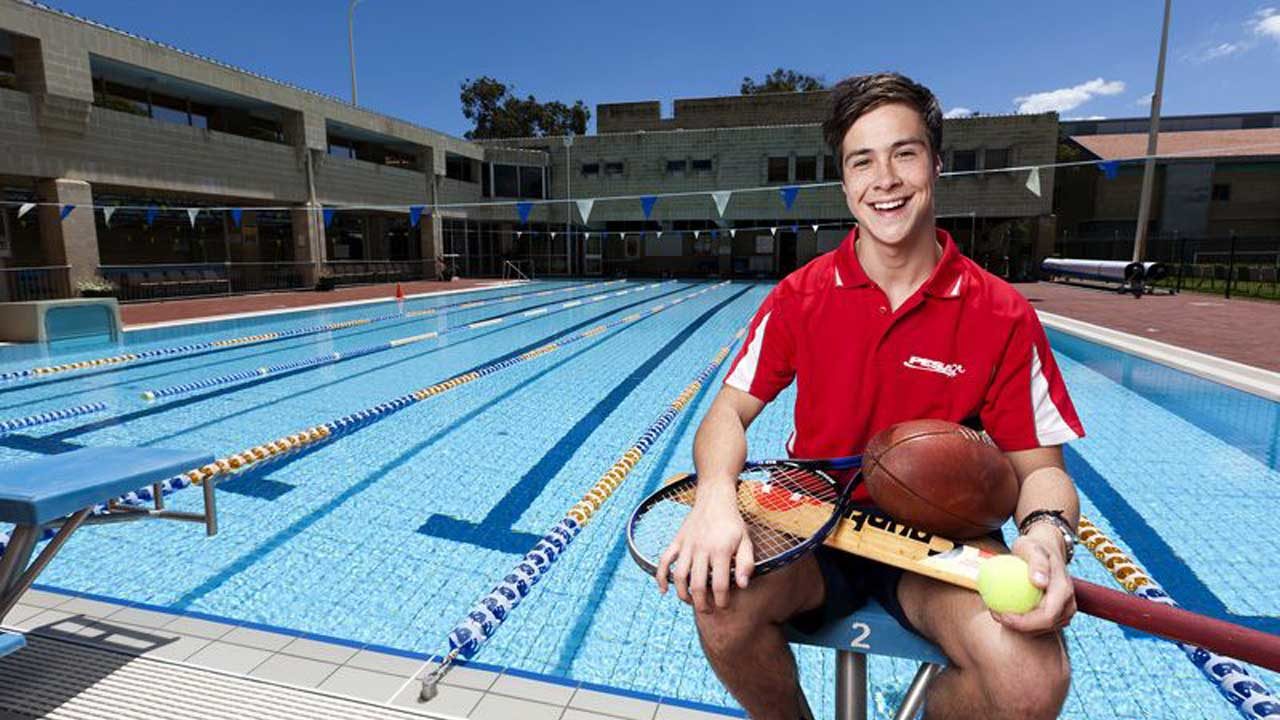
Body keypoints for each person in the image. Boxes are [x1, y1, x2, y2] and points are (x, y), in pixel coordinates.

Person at [654, 72, 1085, 720]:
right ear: (846, 181)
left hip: (937, 549)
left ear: (936, 164)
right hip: (813, 532)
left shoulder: (1001, 315)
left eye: (903, 153)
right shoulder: (800, 297)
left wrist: (1047, 538)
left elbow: (1042, 473)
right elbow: (726, 414)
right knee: (720, 600)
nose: (883, 178)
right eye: (863, 160)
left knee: (1032, 678)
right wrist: (716, 496)